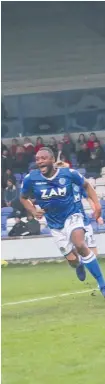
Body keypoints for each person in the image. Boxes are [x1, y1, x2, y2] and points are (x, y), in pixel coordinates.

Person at [20, 147, 105, 297]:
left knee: (80, 244)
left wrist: (97, 206)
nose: (40, 161)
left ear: (52, 160)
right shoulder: (31, 178)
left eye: (43, 158)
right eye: (38, 159)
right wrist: (33, 210)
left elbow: (86, 186)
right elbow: (23, 197)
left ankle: (102, 285)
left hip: (72, 215)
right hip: (54, 224)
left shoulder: (69, 174)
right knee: (72, 260)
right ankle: (78, 265)